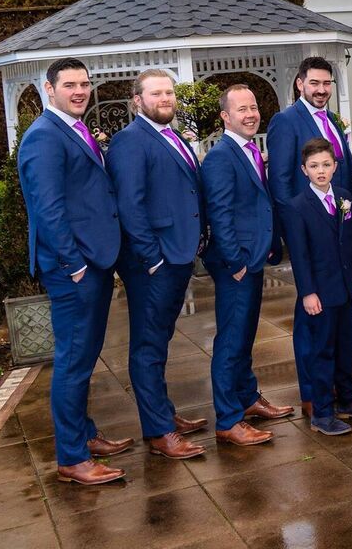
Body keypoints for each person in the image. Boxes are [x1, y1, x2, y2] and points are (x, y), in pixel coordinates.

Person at [18, 58, 131, 485]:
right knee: (72, 362)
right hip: (73, 268)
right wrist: (75, 265)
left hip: (93, 261)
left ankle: (84, 435)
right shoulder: (44, 137)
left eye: (84, 84)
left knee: (84, 356)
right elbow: (47, 209)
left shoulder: (75, 128)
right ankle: (71, 457)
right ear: (49, 90)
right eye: (70, 85)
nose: (79, 91)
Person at [106, 69, 207, 460]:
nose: (165, 98)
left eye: (169, 92)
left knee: (160, 340)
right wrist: (152, 259)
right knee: (147, 345)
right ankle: (159, 432)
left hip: (177, 255)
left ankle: (162, 412)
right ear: (137, 100)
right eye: (156, 93)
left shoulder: (174, 136)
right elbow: (129, 206)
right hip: (154, 262)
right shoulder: (129, 142)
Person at [266, 56, 352, 415]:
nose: (322, 90)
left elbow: (346, 175)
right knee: (312, 314)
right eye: (315, 83)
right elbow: (278, 181)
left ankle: (340, 385)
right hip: (308, 228)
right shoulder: (285, 122)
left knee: (340, 314)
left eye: (327, 84)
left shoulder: (334, 122)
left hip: (338, 228)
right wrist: (292, 233)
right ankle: (312, 394)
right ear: (300, 84)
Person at [201, 85, 294, 446]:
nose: (251, 114)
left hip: (252, 258)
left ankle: (248, 398)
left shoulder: (251, 150)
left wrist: (269, 247)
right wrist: (236, 261)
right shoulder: (221, 157)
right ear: (225, 116)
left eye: (254, 107)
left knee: (244, 336)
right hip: (235, 264)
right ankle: (228, 419)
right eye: (242, 109)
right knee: (230, 341)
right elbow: (220, 213)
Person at [281, 138, 352, 436]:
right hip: (320, 293)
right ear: (304, 170)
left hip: (346, 286)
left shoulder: (344, 197)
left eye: (326, 165)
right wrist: (308, 293)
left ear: (335, 166)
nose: (321, 171)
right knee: (322, 350)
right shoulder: (297, 207)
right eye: (314, 166)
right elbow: (299, 256)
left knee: (346, 345)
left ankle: (348, 400)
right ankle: (323, 412)